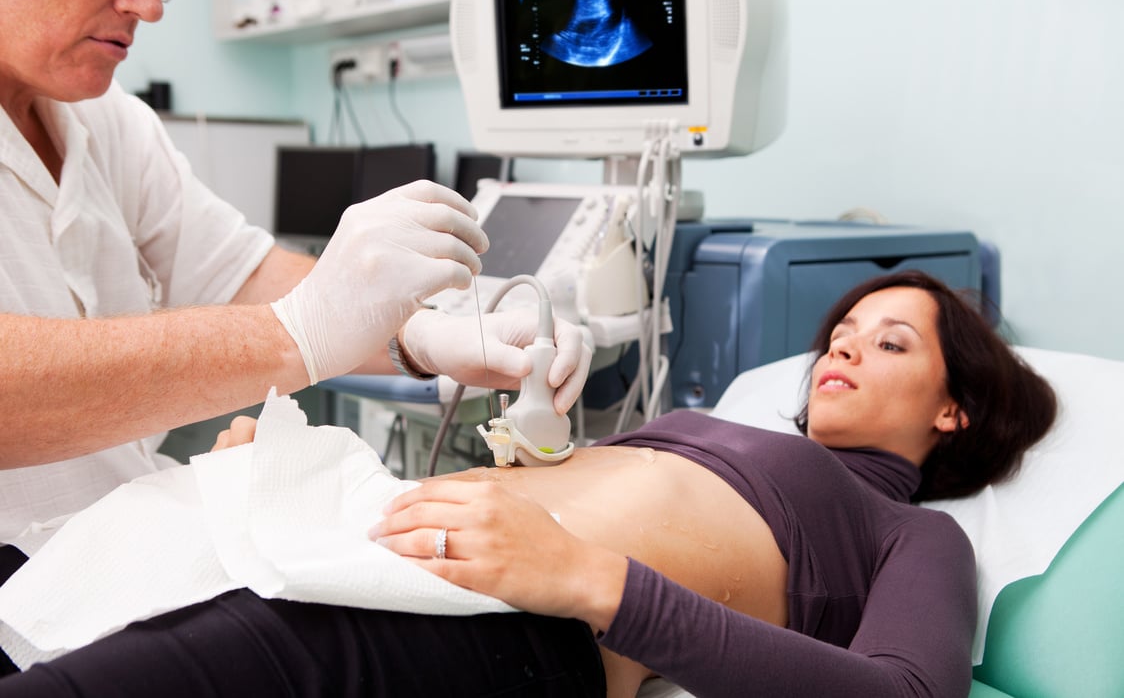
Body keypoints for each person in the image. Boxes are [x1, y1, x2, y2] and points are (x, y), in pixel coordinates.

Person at [0, 270, 1058, 697]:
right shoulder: (702, 423)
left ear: (952, 407)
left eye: (886, 341)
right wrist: (276, 486)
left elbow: (904, 693)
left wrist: (597, 581)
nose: (840, 349)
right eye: (837, 333)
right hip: (381, 550)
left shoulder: (911, 534)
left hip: (512, 627)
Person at [0, 0, 591, 555]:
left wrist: (416, 334)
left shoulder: (108, 118)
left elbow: (237, 271)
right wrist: (295, 334)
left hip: (116, 547)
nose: (148, 4)